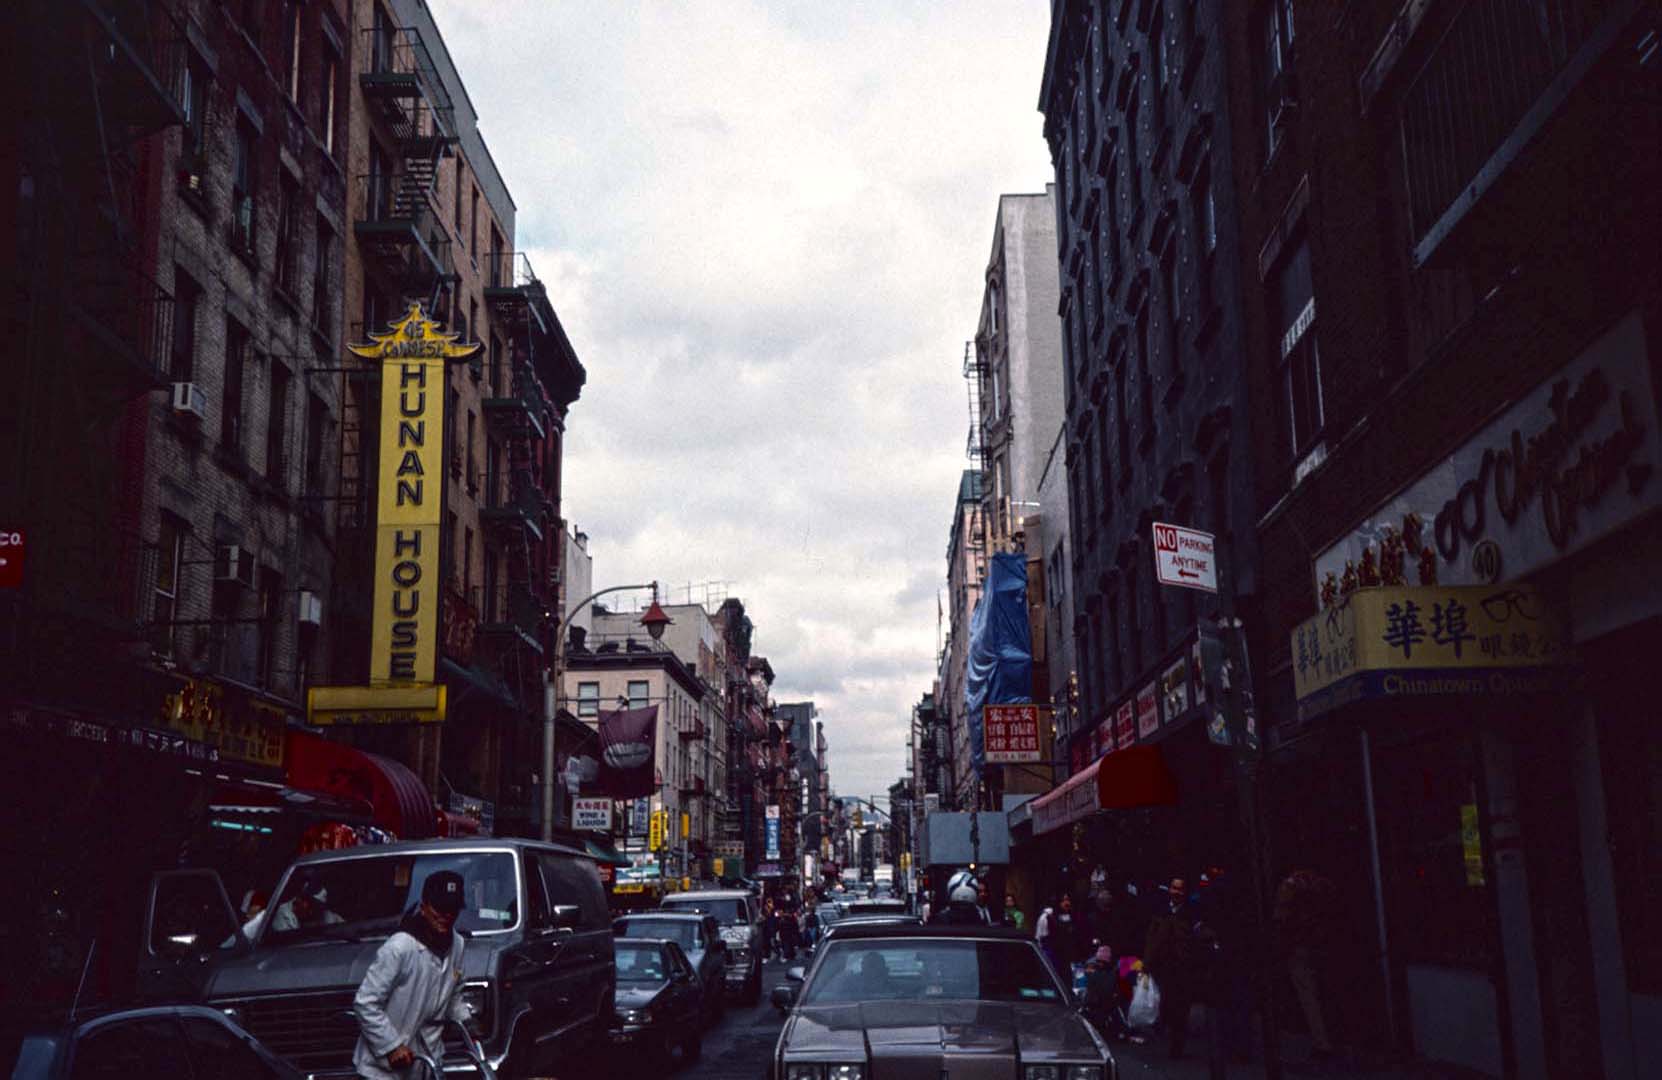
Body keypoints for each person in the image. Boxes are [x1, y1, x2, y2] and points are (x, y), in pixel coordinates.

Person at [353, 871, 475, 1080]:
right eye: (439, 908)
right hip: (381, 1070)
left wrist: (466, 1021)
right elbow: (366, 1002)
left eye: (452, 910)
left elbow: (452, 994)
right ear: (424, 907)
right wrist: (391, 1046)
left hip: (426, 1063)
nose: (446, 916)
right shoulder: (399, 947)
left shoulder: (457, 945)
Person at [1275, 868, 1337, 1061]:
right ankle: (1328, 1036)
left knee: (1307, 995)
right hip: (1321, 944)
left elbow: (1280, 917)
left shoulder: (1290, 886)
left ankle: (1322, 1042)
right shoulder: (1321, 883)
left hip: (1299, 945)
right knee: (1321, 992)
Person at [1144, 877, 1201, 1060]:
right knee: (1166, 1002)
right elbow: (1152, 938)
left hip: (1184, 968)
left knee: (1181, 1009)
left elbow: (1196, 941)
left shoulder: (1190, 914)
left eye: (1180, 889)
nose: (1176, 892)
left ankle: (1177, 1046)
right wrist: (1147, 963)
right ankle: (1165, 1030)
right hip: (1164, 967)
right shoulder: (1161, 912)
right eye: (1173, 888)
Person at [254, 874, 343, 939]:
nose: (312, 911)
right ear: (298, 899)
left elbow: (345, 929)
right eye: (310, 903)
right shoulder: (281, 915)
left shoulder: (327, 915)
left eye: (317, 906)